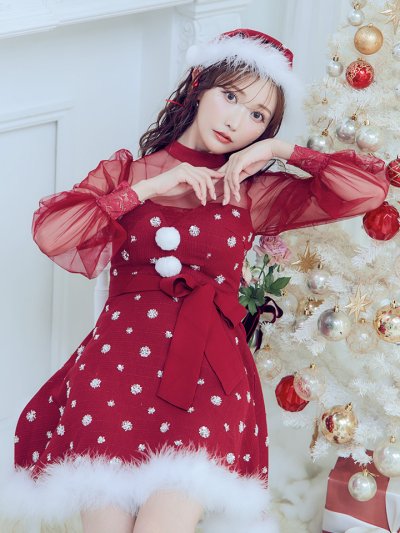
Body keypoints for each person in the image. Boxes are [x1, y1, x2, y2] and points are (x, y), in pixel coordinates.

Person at [1, 28, 389, 533]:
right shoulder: (130, 173)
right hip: (113, 370)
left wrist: (281, 150)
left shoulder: (251, 191)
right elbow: (54, 232)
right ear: (199, 87)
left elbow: (368, 191)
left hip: (205, 379)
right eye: (230, 96)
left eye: (257, 116)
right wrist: (149, 188)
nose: (236, 121)